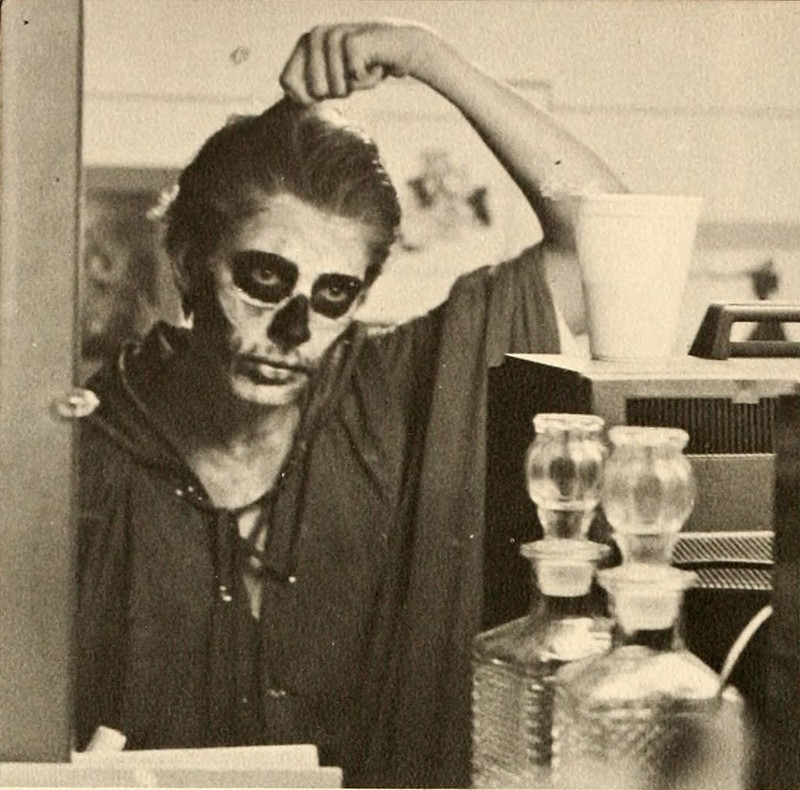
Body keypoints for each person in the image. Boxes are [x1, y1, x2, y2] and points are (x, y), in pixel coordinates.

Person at [75, 20, 625, 787]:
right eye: (265, 279)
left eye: (333, 294)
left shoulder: (389, 394)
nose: (295, 331)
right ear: (190, 260)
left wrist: (428, 56)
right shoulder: (83, 447)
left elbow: (614, 241)